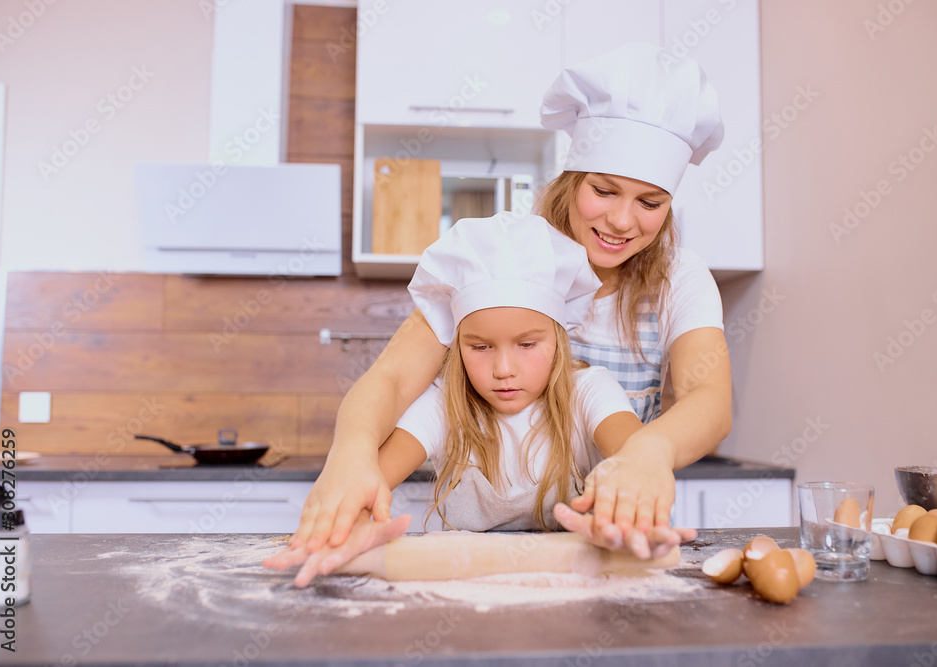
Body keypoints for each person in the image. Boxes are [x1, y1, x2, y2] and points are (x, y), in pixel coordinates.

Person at [277, 42, 731, 575]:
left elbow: (709, 399)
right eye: (604, 191)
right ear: (572, 181)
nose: (623, 221)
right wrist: (351, 456)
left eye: (650, 202)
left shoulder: (678, 279)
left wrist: (648, 452)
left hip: (612, 538)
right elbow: (394, 379)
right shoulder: (501, 260)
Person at [265, 212, 672, 585]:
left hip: (573, 593)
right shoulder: (444, 406)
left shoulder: (590, 391)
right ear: (456, 346)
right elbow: (372, 481)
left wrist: (631, 499)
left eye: (527, 344)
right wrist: (350, 521)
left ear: (559, 340)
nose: (504, 369)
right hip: (460, 594)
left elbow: (634, 454)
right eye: (480, 347)